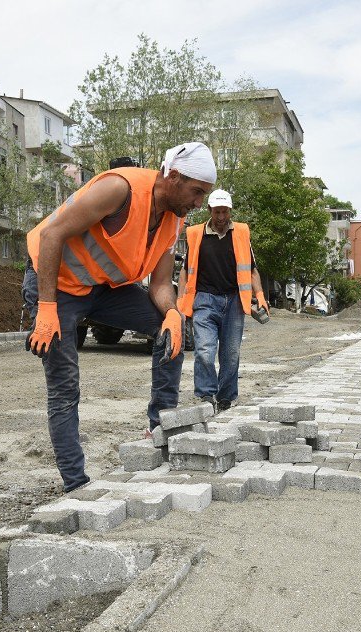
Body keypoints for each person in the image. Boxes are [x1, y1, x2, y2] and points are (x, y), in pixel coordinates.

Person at [23, 142, 217, 493]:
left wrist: (172, 313)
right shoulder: (120, 189)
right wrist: (47, 308)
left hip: (101, 288)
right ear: (173, 176)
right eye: (197, 192)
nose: (199, 202)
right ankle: (76, 485)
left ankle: (160, 431)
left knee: (167, 331)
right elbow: (52, 234)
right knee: (65, 386)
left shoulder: (173, 220)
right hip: (56, 285)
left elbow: (159, 283)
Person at [176, 189, 267, 413]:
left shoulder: (241, 233)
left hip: (234, 302)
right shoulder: (196, 234)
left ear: (230, 211)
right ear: (209, 211)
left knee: (231, 354)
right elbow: (185, 272)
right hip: (205, 300)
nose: (221, 217)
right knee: (205, 352)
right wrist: (179, 304)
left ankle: (225, 398)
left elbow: (252, 271)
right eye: (217, 212)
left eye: (225, 212)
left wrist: (261, 297)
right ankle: (207, 395)